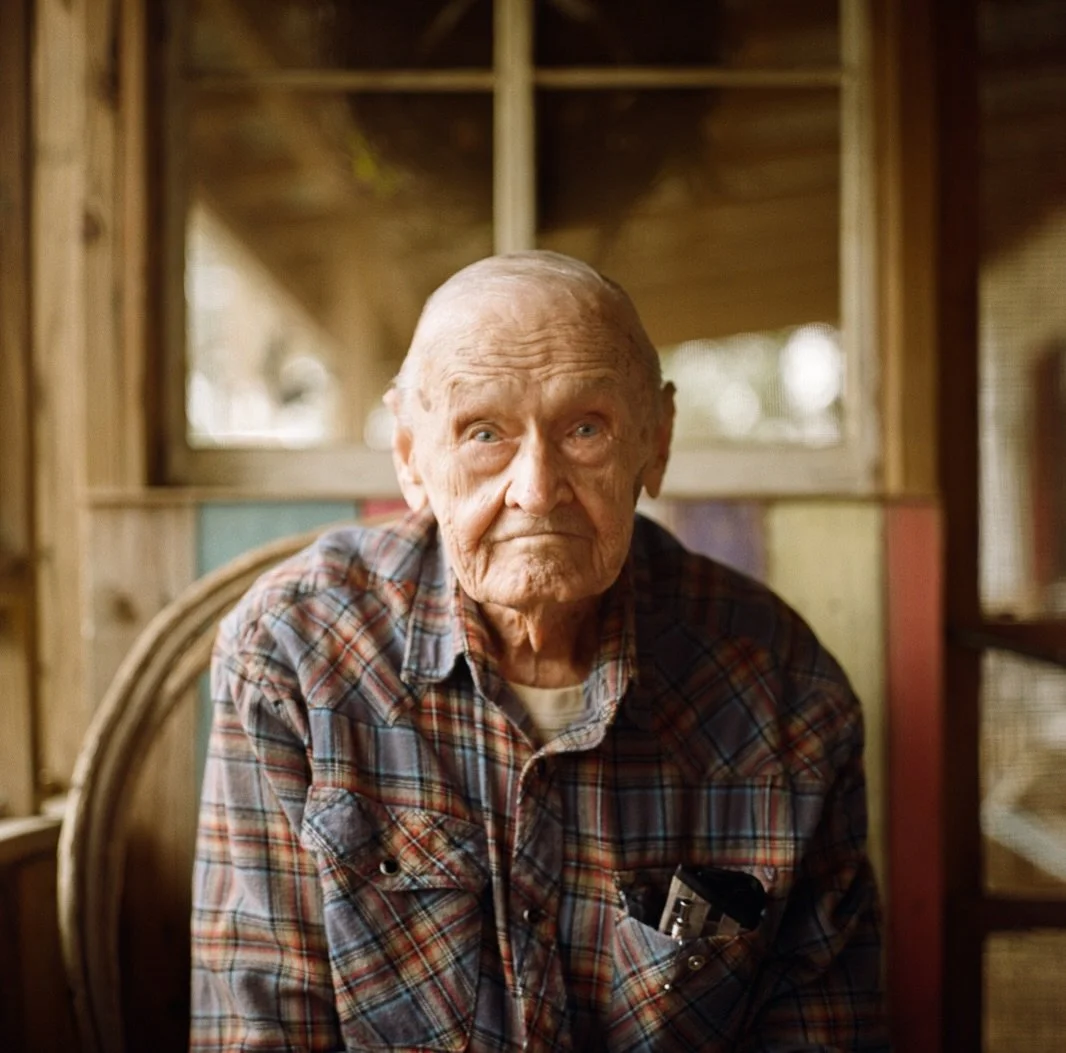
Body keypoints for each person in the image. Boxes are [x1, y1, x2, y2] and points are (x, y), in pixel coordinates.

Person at [191, 251, 888, 1051]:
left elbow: (822, 1033)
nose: (536, 487)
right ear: (412, 454)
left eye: (585, 428)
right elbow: (261, 1027)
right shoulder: (294, 654)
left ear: (654, 442)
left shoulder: (785, 693)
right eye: (484, 432)